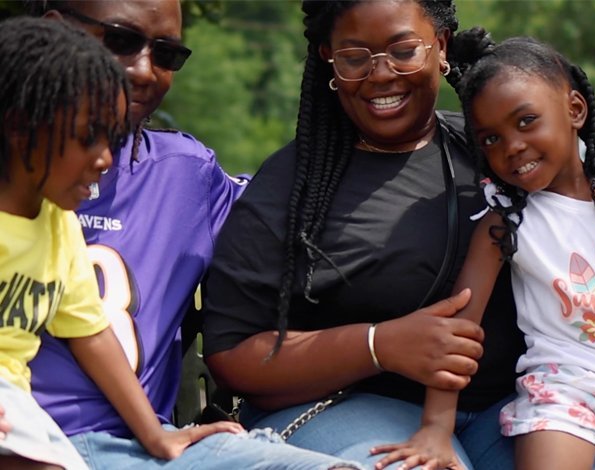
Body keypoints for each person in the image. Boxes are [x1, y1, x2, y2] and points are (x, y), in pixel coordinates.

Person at [201, 1, 595, 469]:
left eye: (403, 50)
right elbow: (233, 353)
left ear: (441, 45)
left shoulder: (502, 155)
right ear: (329, 58)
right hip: (355, 407)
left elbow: (591, 253)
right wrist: (378, 344)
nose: (381, 73)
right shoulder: (295, 184)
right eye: (354, 57)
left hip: (525, 408)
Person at [22, 1, 361, 469]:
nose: (144, 71)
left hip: (141, 445)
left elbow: (306, 221)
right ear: (55, 31)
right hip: (24, 439)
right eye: (121, 40)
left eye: (167, 55)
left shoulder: (186, 175)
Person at [369, 30, 595, 470]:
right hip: (565, 398)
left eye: (525, 122)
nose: (512, 147)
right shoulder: (508, 221)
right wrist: (436, 429)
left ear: (574, 109)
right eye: (490, 140)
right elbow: (460, 329)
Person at [0, 16, 247, 469]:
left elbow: (91, 333)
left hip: (20, 414)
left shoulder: (56, 226)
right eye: (88, 137)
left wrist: (158, 438)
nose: (105, 159)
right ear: (20, 126)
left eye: (111, 138)